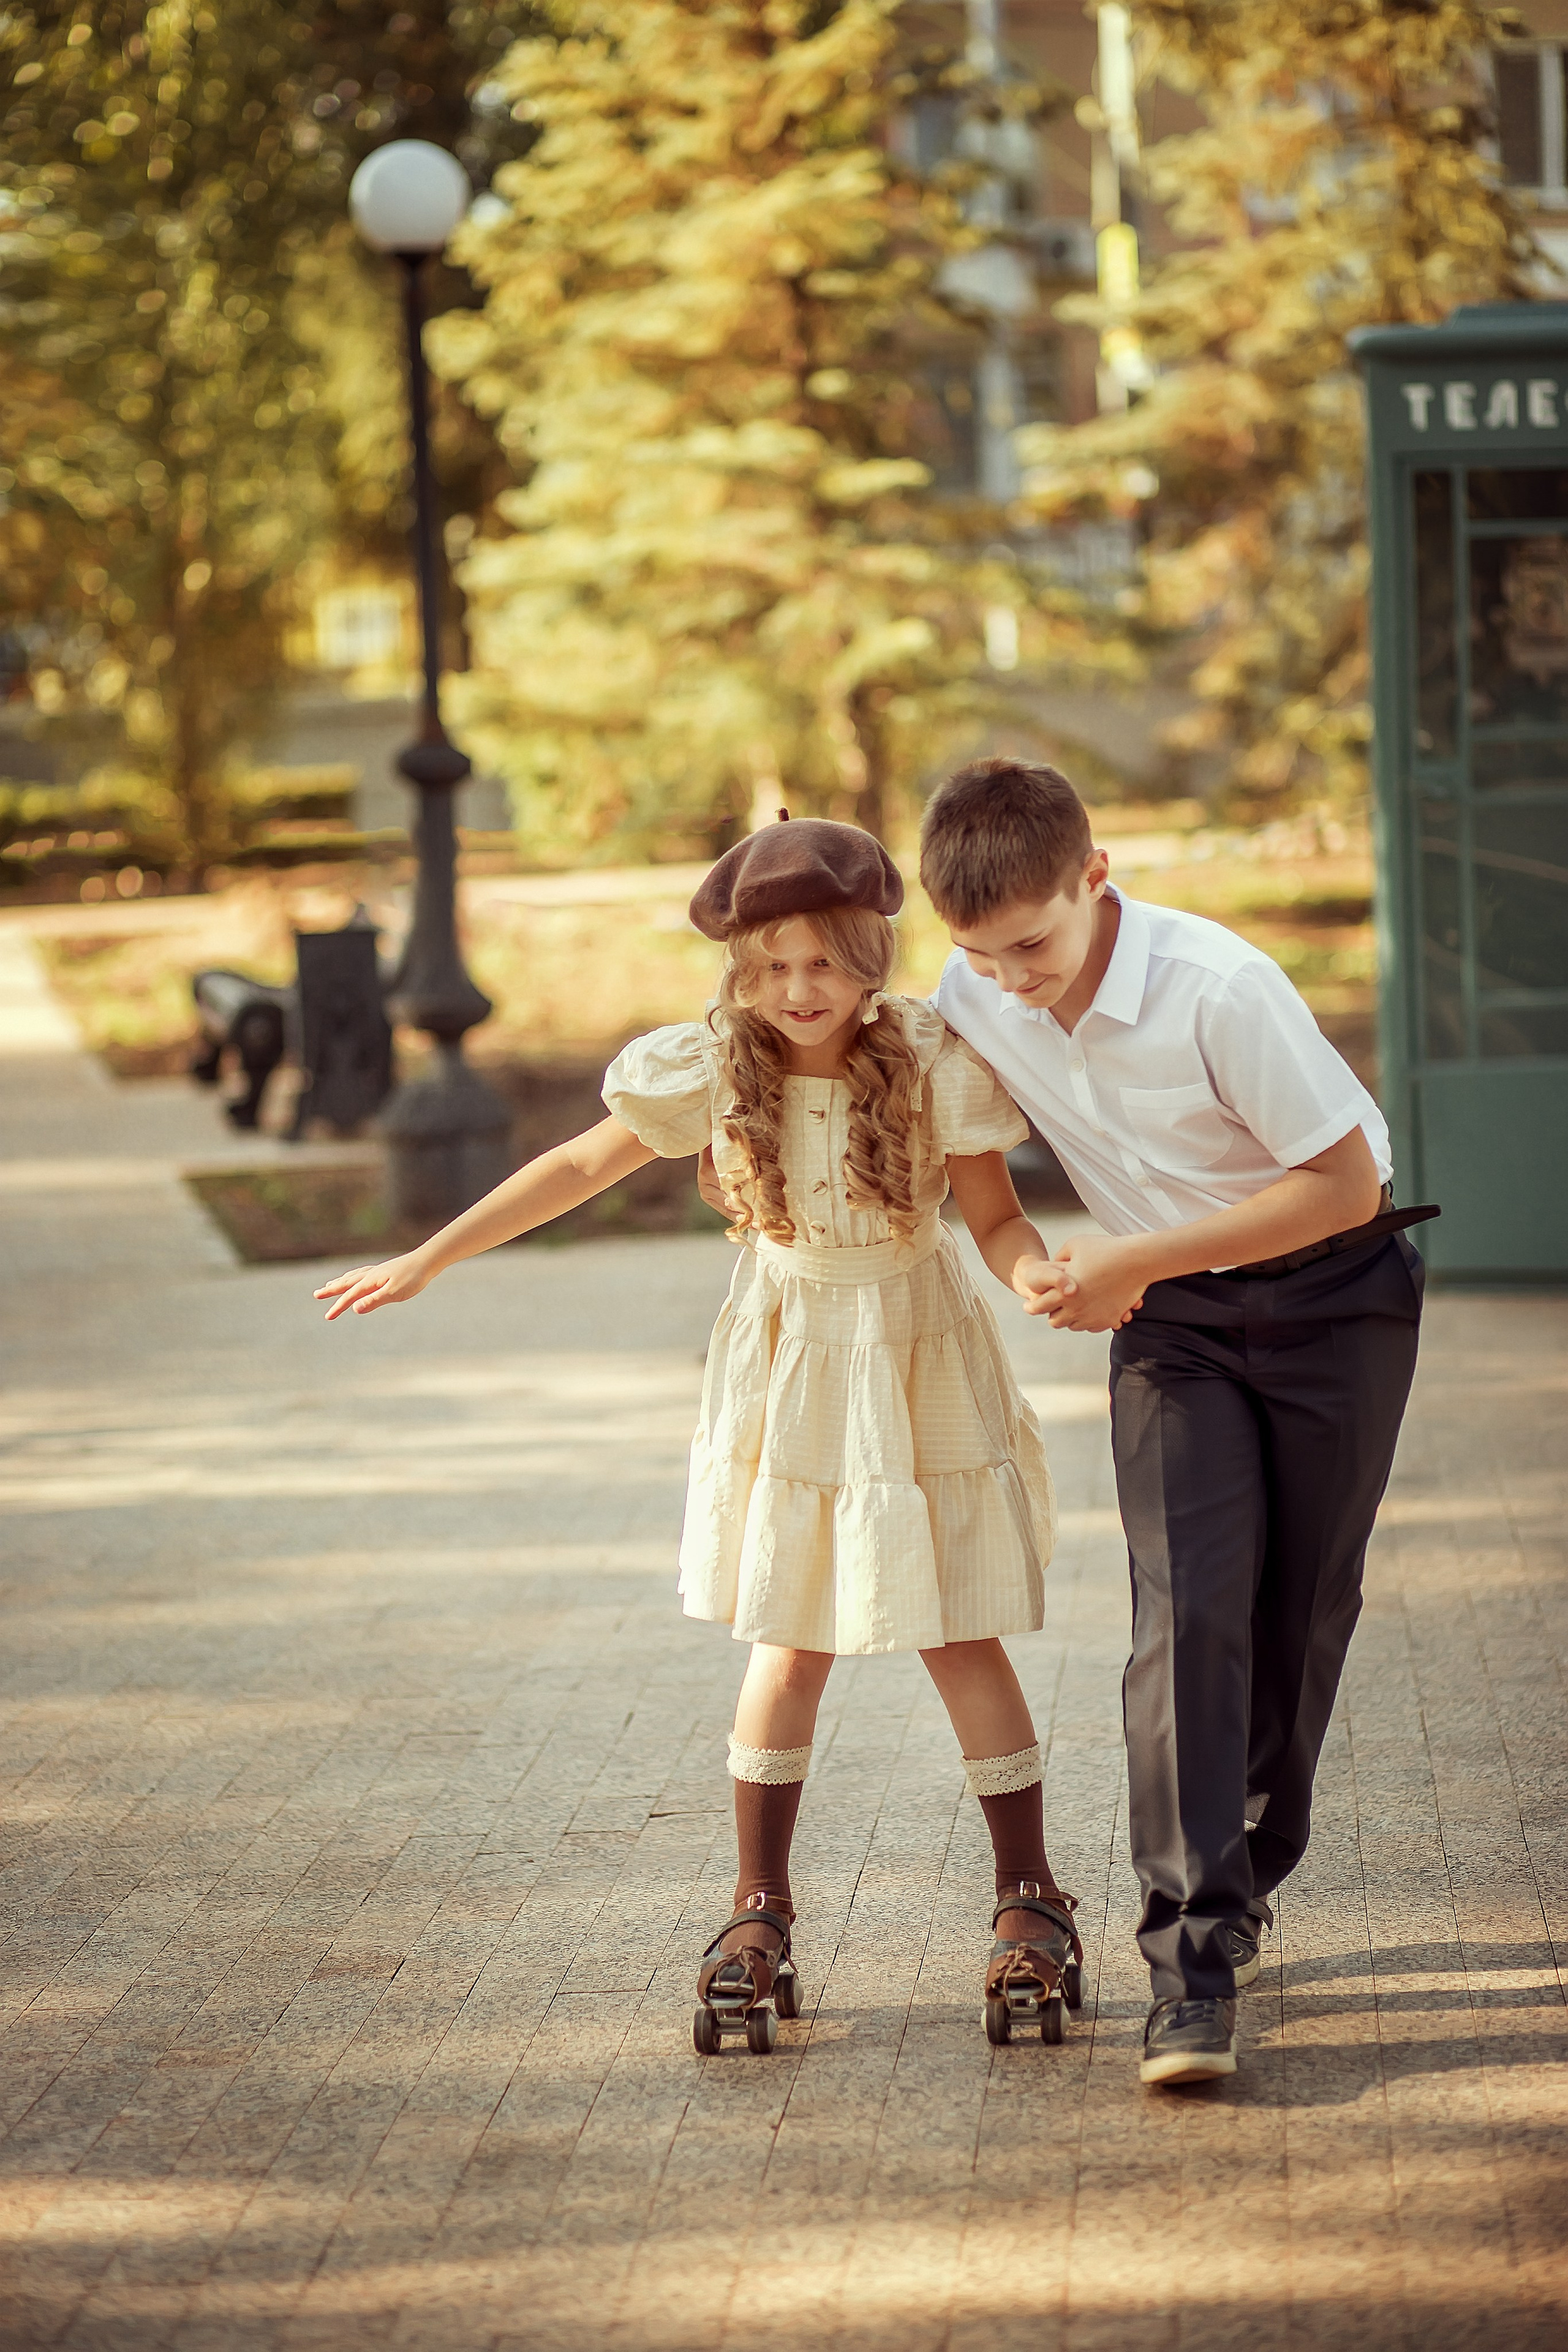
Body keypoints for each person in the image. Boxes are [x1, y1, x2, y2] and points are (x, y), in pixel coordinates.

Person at [315, 816, 1085, 2056]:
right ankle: (758, 1904)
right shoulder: (708, 1067)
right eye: (770, 966)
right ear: (738, 969)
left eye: (826, 964)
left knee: (957, 1625)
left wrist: (1039, 1273)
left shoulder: (936, 1062)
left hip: (917, 1354)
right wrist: (428, 1258)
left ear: (871, 956)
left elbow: (995, 1220)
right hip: (788, 1363)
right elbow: (573, 1168)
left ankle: (1027, 1893)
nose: (798, 991)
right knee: (787, 1635)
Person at [920, 758, 1430, 2089]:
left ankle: (1247, 1870)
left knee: (1300, 1608)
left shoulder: (1218, 988)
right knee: (1184, 1615)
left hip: (1337, 1297)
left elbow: (1340, 1184)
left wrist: (1133, 1260)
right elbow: (979, 1182)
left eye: (1028, 942)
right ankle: (1187, 1970)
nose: (1008, 978)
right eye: (975, 954)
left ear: (1097, 878)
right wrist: (1031, 1263)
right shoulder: (968, 992)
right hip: (1173, 1335)